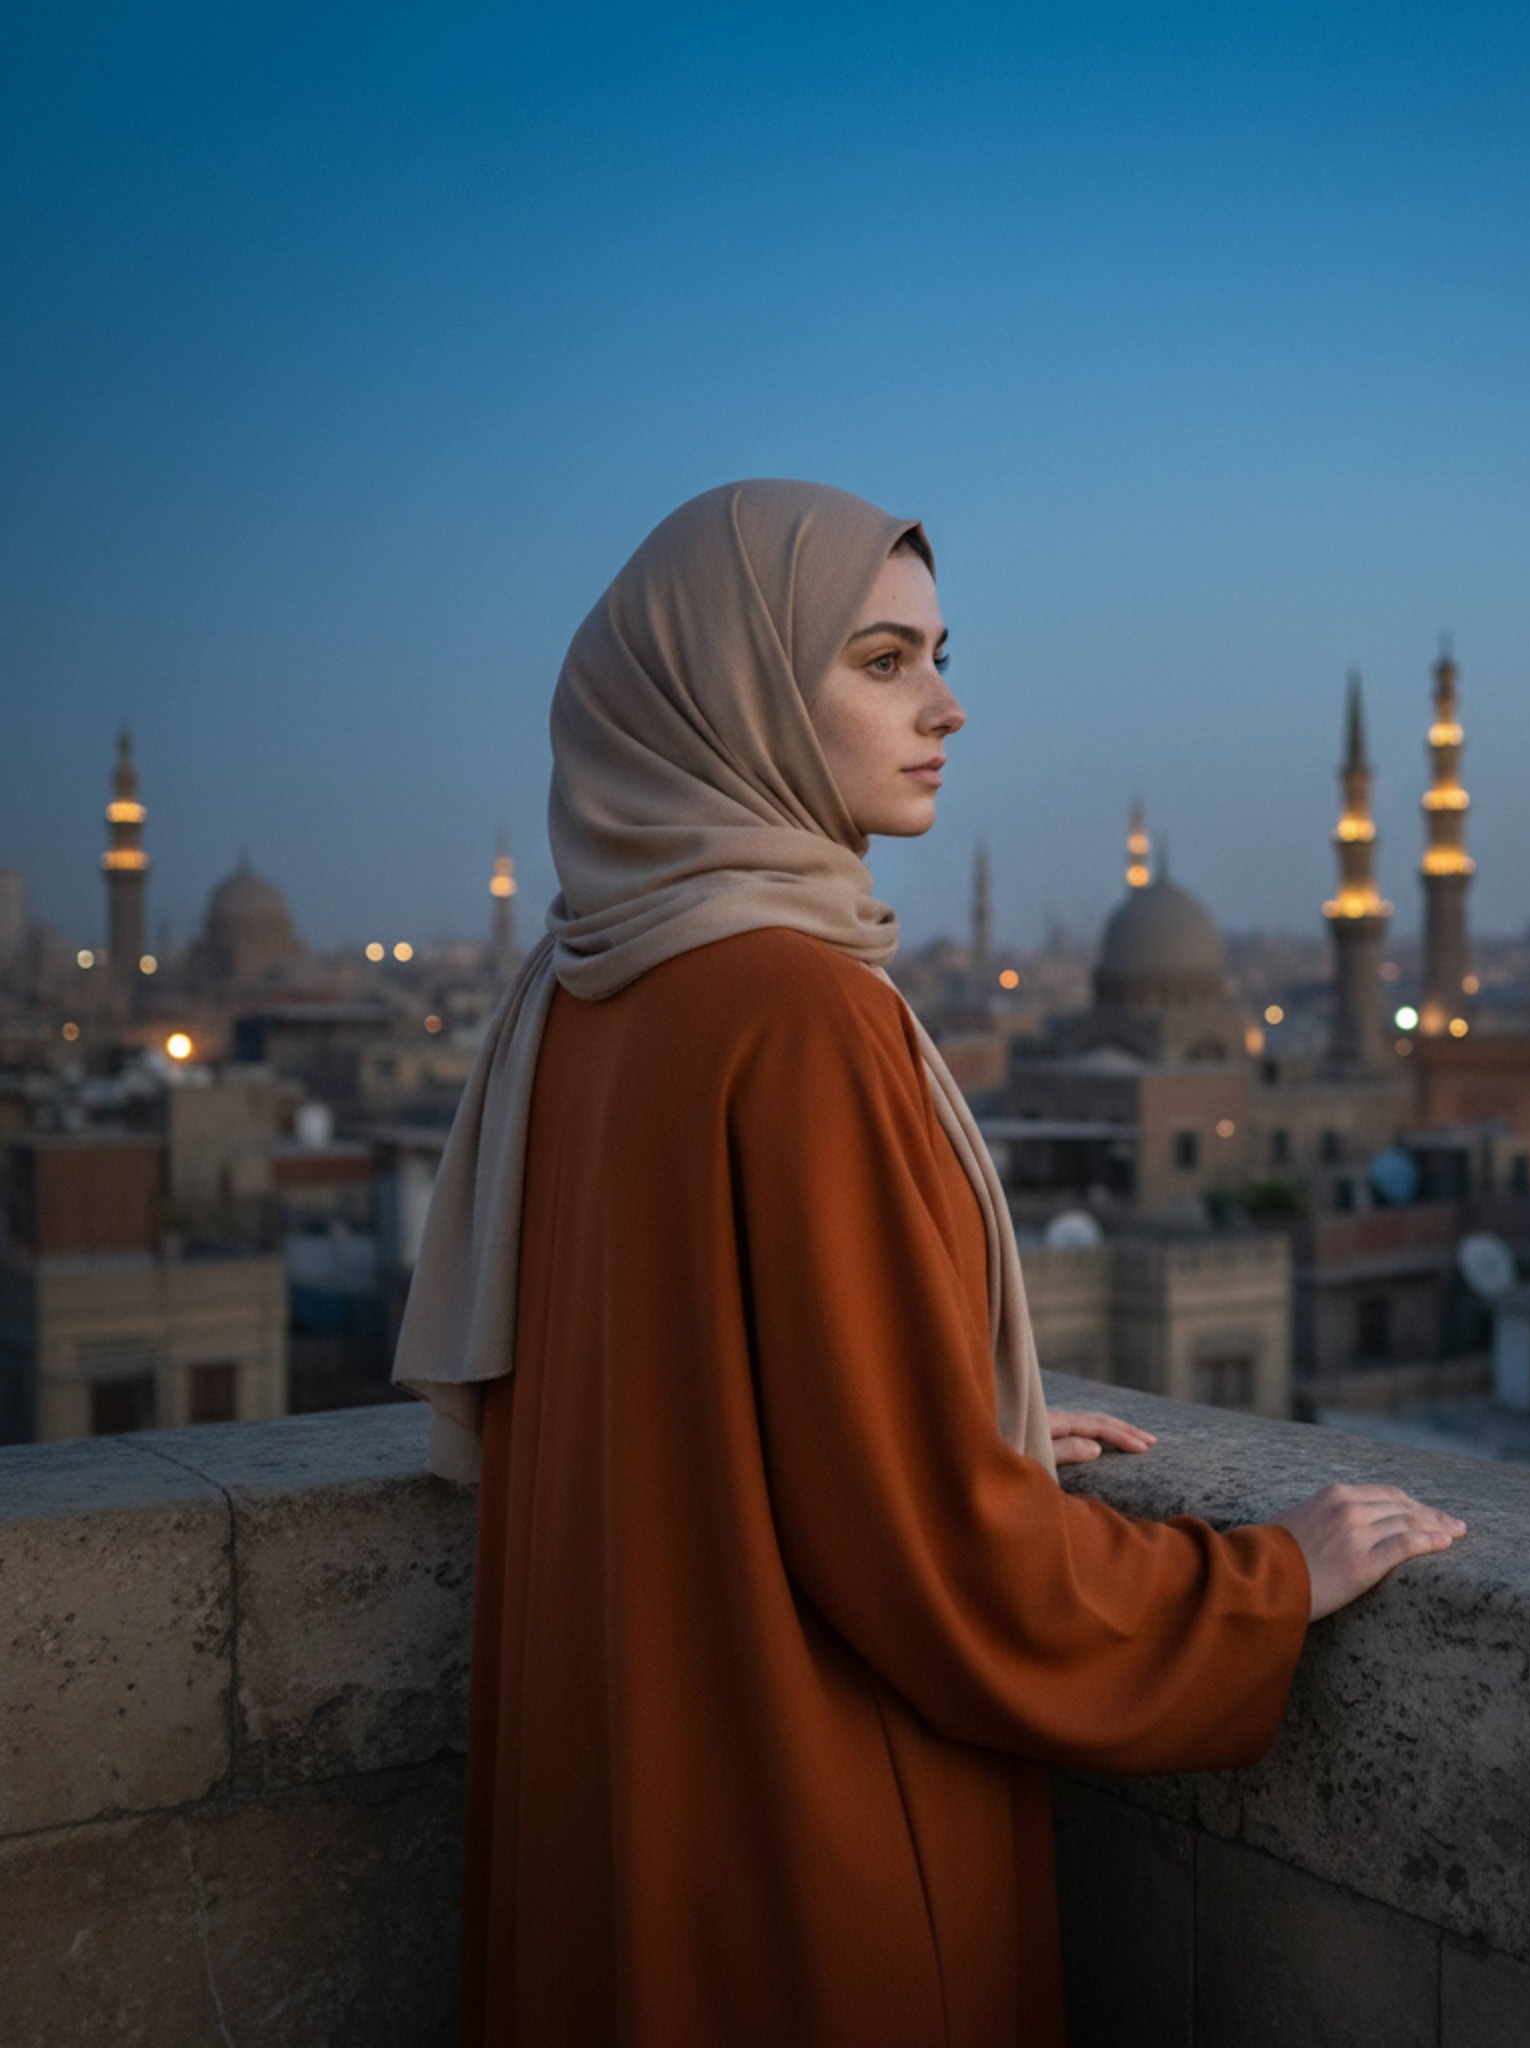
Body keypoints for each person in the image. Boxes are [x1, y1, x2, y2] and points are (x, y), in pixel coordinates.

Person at [392, 479, 1467, 2047]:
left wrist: (966, 1406)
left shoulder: (580, 1003)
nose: (947, 706)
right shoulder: (802, 1016)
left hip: (624, 1810)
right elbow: (939, 1562)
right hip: (796, 1833)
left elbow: (708, 1388)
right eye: (882, 661)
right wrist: (1269, 1579)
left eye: (939, 655)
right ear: (737, 691)